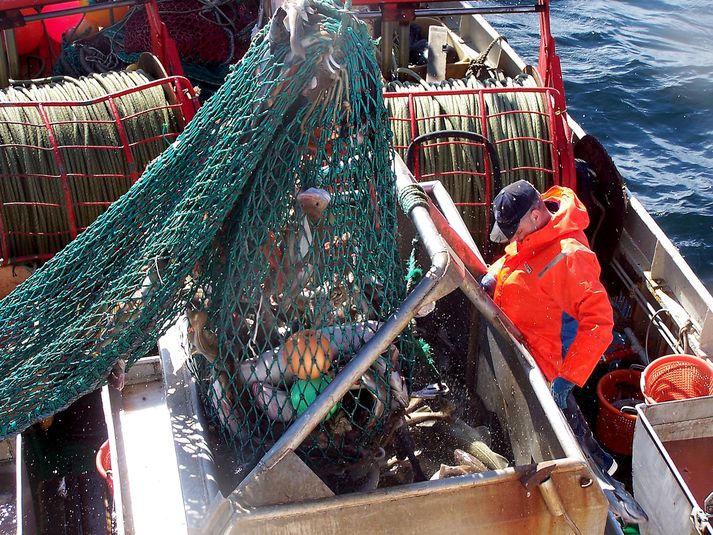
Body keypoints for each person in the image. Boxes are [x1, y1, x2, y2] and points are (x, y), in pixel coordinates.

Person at [482, 179, 617, 474]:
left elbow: (600, 322)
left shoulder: (571, 257)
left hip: (552, 360)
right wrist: (494, 275)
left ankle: (603, 472)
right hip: (526, 340)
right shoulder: (534, 231)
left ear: (535, 215)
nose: (512, 240)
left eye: (515, 232)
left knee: (569, 421)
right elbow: (517, 258)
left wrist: (567, 377)